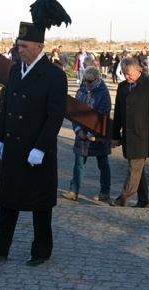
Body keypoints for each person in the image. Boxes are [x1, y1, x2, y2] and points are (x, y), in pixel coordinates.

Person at [0, 0, 70, 267]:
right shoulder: (15, 70)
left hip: (37, 152)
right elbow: (6, 106)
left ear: (39, 46)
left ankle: (41, 251)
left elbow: (55, 116)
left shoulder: (54, 75)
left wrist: (41, 146)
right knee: (8, 201)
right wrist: (0, 137)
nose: (19, 49)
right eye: (18, 45)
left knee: (39, 205)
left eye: (24, 45)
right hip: (14, 148)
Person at [110, 57, 149, 208]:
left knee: (134, 167)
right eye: (123, 73)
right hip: (128, 135)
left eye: (128, 73)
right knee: (137, 170)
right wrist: (115, 135)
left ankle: (123, 198)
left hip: (144, 135)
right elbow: (118, 114)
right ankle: (144, 200)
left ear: (138, 70)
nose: (126, 76)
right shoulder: (122, 87)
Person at [61, 66, 112, 202]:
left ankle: (105, 192)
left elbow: (103, 114)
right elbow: (74, 112)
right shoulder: (81, 90)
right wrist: (78, 130)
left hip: (97, 134)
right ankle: (74, 191)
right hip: (81, 134)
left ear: (97, 79)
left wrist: (92, 132)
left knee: (103, 164)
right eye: (85, 81)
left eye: (90, 81)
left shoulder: (104, 93)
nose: (87, 84)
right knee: (78, 164)